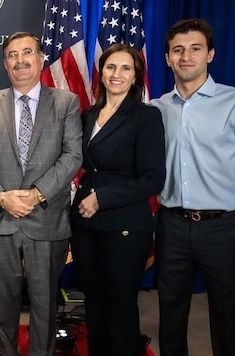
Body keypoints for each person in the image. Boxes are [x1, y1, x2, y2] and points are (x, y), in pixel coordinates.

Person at [151, 18, 235, 356]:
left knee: (227, 316)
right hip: (172, 225)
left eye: (195, 49)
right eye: (178, 50)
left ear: (210, 54)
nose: (186, 56)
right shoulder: (155, 110)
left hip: (223, 228)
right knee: (171, 317)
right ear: (167, 59)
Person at [0, 31, 82, 356]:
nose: (20, 60)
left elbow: (72, 155)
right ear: (5, 64)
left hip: (46, 217)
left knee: (45, 302)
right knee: (3, 301)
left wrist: (36, 194)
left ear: (40, 58)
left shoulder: (66, 102)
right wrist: (1, 197)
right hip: (1, 217)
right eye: (12, 55)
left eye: (27, 52)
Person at [69, 43, 165, 356]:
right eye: (111, 67)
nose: (117, 74)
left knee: (120, 304)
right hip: (86, 223)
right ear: (101, 72)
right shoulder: (89, 114)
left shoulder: (146, 117)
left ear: (137, 76)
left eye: (126, 68)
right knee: (94, 302)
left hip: (125, 223)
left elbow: (153, 179)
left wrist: (102, 197)